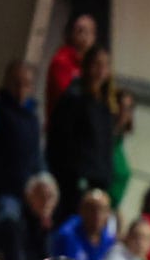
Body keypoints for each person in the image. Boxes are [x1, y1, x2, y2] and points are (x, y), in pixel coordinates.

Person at [46, 44, 116, 223]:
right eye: (96, 64)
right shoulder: (74, 97)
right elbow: (60, 140)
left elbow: (106, 147)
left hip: (97, 181)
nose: (101, 70)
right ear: (86, 66)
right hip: (74, 181)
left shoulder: (105, 104)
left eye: (105, 65)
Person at [0, 60, 43, 224]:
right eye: (16, 83)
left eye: (26, 84)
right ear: (6, 82)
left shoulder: (33, 118)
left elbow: (36, 157)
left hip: (26, 198)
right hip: (0, 193)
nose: (21, 89)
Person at [0, 172, 57, 260]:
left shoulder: (42, 224)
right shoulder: (12, 222)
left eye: (50, 197)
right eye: (41, 196)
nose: (46, 202)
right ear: (28, 196)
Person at [49, 188, 115, 260]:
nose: (97, 215)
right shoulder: (67, 235)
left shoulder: (109, 240)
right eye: (92, 209)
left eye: (102, 210)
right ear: (82, 210)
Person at [46, 14, 96, 115]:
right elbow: (66, 97)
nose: (85, 35)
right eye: (80, 30)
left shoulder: (91, 64)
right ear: (72, 33)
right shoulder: (61, 60)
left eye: (89, 31)